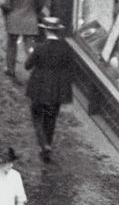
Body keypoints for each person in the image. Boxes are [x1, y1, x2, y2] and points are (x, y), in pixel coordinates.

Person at [24, 14, 80, 162]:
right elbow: (71, 69)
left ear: (45, 30)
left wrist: (31, 54)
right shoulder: (66, 49)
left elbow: (27, 65)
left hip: (39, 88)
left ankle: (44, 144)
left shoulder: (40, 47)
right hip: (57, 90)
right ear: (58, 31)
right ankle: (48, 144)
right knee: (51, 118)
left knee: (36, 115)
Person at [0, 0, 44, 78]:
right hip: (30, 20)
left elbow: (4, 3)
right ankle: (33, 70)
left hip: (14, 20)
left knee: (11, 45)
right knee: (29, 46)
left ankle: (10, 69)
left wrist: (9, 11)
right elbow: (40, 5)